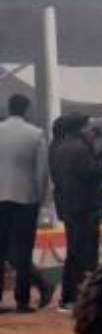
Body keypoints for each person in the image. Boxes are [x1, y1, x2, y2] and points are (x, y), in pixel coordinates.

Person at [0, 94, 51, 313]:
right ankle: (22, 300)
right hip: (25, 199)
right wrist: (40, 199)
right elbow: (41, 172)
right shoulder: (36, 134)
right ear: (27, 109)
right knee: (22, 251)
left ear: (8, 108)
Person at [50, 113, 102, 313]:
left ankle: (68, 298)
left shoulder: (59, 147)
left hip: (69, 206)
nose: (91, 130)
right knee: (86, 255)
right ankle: (84, 298)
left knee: (74, 253)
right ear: (80, 128)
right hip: (84, 208)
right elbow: (91, 173)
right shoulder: (80, 149)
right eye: (88, 126)